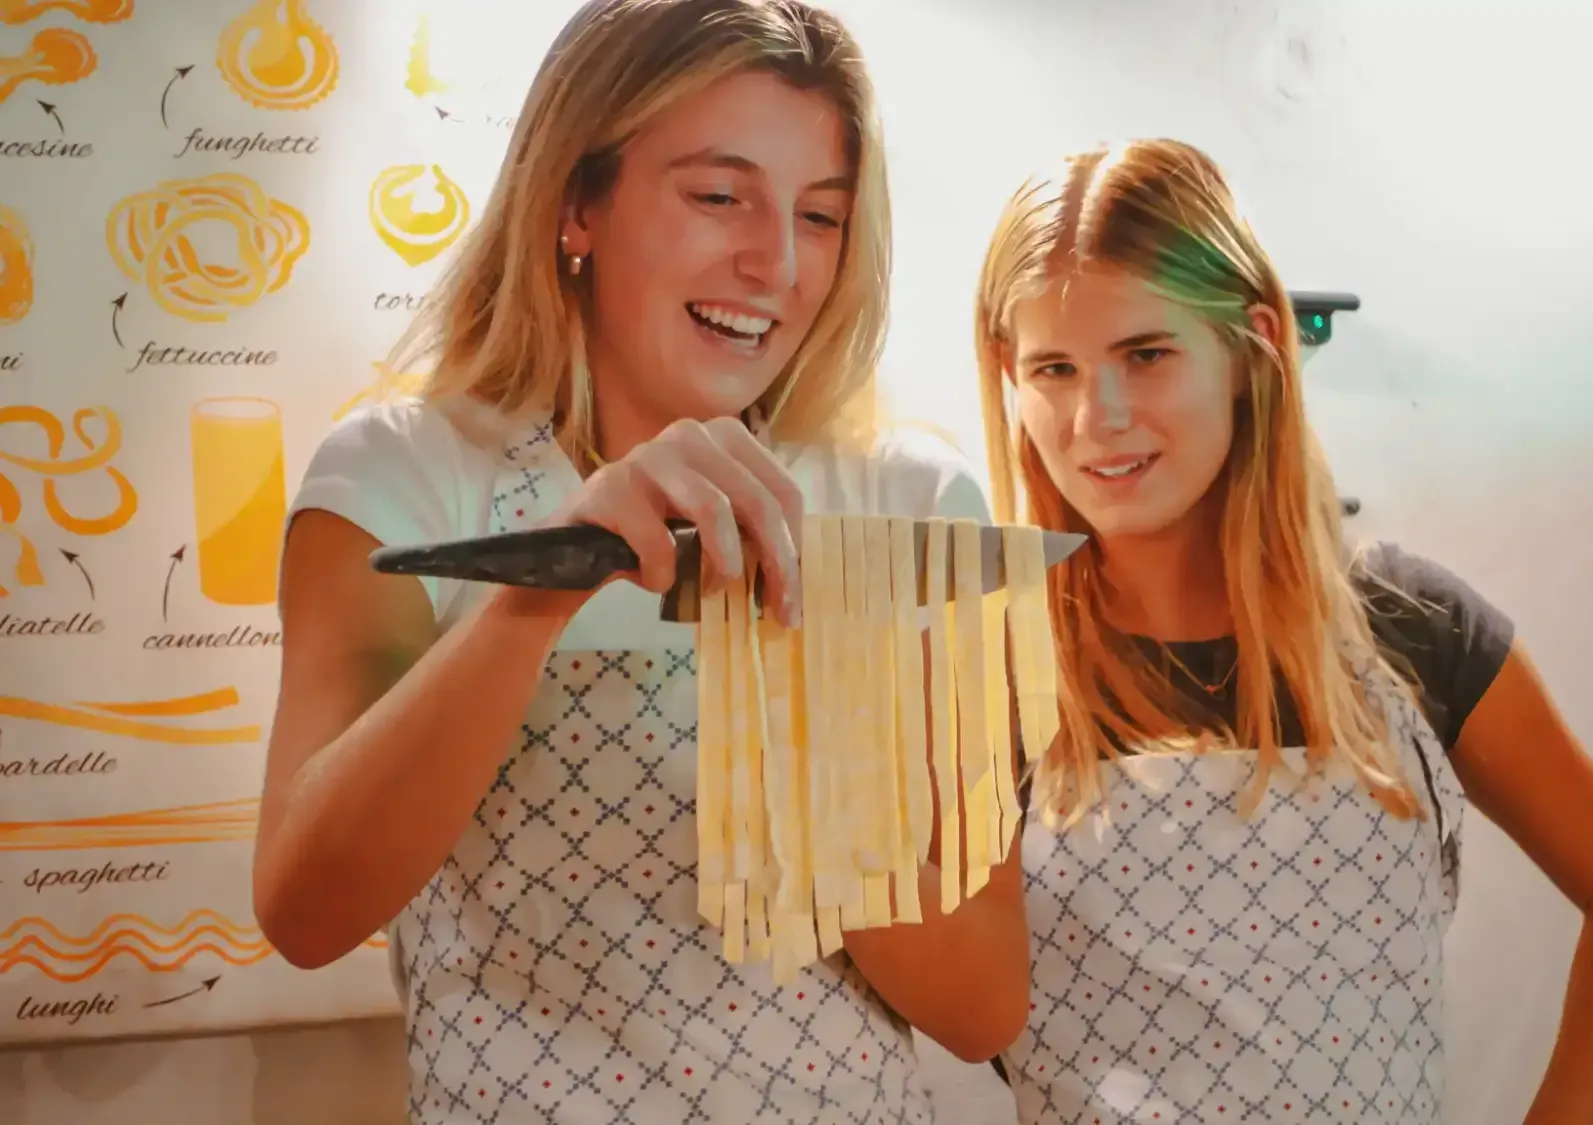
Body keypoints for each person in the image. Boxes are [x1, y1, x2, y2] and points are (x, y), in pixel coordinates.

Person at [253, 2, 1028, 1121]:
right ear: (576, 202)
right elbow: (306, 911)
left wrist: (800, 685)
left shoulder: (907, 503)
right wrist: (542, 591)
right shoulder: (398, 481)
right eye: (718, 197)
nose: (773, 262)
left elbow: (980, 1006)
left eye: (819, 216)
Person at [972, 138, 1593, 1124]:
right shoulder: (987, 671)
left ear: (1249, 344)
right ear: (1008, 378)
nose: (1097, 415)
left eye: (1144, 354)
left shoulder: (1410, 628)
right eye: (1053, 367)